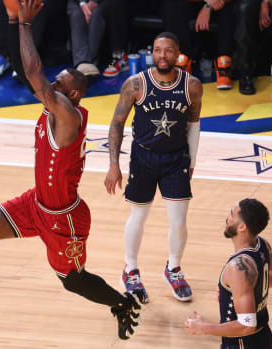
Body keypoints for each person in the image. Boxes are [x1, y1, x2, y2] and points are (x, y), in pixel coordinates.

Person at [0, 0, 141, 340]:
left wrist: (25, 25)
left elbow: (35, 69)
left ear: (71, 93)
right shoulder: (54, 105)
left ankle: (121, 303)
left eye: (58, 81)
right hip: (37, 203)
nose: (50, 83)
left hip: (63, 217)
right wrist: (12, 20)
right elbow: (26, 69)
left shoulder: (67, 115)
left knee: (73, 281)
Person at [104, 32, 202, 305]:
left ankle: (173, 269)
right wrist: (114, 165)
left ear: (177, 54)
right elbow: (117, 123)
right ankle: (130, 270)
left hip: (176, 160)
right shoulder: (135, 83)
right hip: (143, 158)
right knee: (138, 217)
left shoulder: (192, 85)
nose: (162, 56)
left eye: (168, 51)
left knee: (179, 222)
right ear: (152, 53)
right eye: (158, 50)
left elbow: (194, 124)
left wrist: (192, 161)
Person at [184, 198, 272, 349]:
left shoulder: (238, 269)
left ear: (242, 227)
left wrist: (202, 327)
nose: (227, 218)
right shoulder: (262, 245)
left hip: (242, 344)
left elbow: (247, 326)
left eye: (231, 215)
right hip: (264, 336)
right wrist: (239, 290)